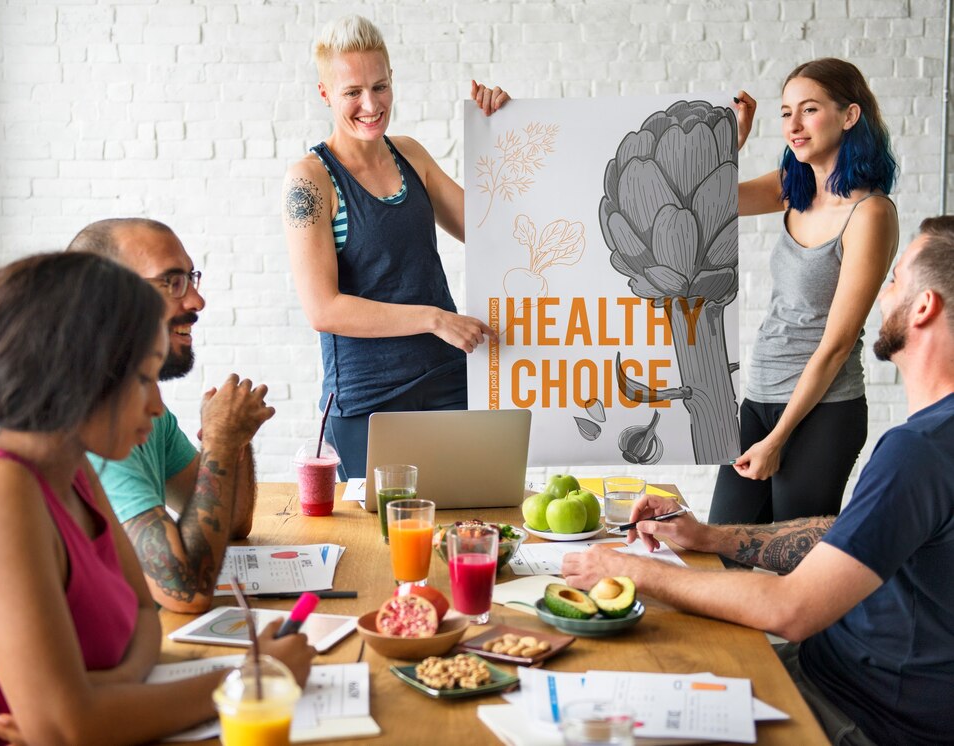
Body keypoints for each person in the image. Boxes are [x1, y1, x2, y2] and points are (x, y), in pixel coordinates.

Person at [563, 217, 954, 746]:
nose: (882, 294)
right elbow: (848, 539)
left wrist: (626, 568)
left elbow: (789, 609)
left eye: (895, 278)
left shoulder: (920, 450)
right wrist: (711, 537)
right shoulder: (934, 440)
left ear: (924, 307)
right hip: (832, 672)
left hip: (855, 712)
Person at [0, 252, 313, 746]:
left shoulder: (76, 468)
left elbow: (144, 619)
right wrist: (254, 678)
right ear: (76, 373)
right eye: (144, 378)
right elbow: (67, 727)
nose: (157, 405)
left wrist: (105, 692)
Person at [282, 15, 507, 478]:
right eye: (352, 92)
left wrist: (502, 135)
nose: (371, 104)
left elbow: (492, 232)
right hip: (368, 402)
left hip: (448, 382)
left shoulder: (410, 154)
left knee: (474, 516)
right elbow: (323, 309)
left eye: (380, 87)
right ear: (325, 93)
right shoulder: (310, 180)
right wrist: (434, 318)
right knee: (381, 526)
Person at [709, 58, 900, 526]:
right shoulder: (792, 188)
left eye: (809, 110)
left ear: (849, 115)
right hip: (759, 396)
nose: (793, 125)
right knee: (718, 545)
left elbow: (837, 344)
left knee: (792, 557)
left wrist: (778, 439)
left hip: (823, 411)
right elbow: (706, 198)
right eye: (785, 112)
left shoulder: (870, 214)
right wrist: (734, 138)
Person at [68, 218, 275, 613]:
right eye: (173, 282)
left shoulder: (146, 410)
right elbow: (186, 592)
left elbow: (231, 522)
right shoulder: (96, 426)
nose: (197, 301)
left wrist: (233, 439)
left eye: (191, 279)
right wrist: (220, 441)